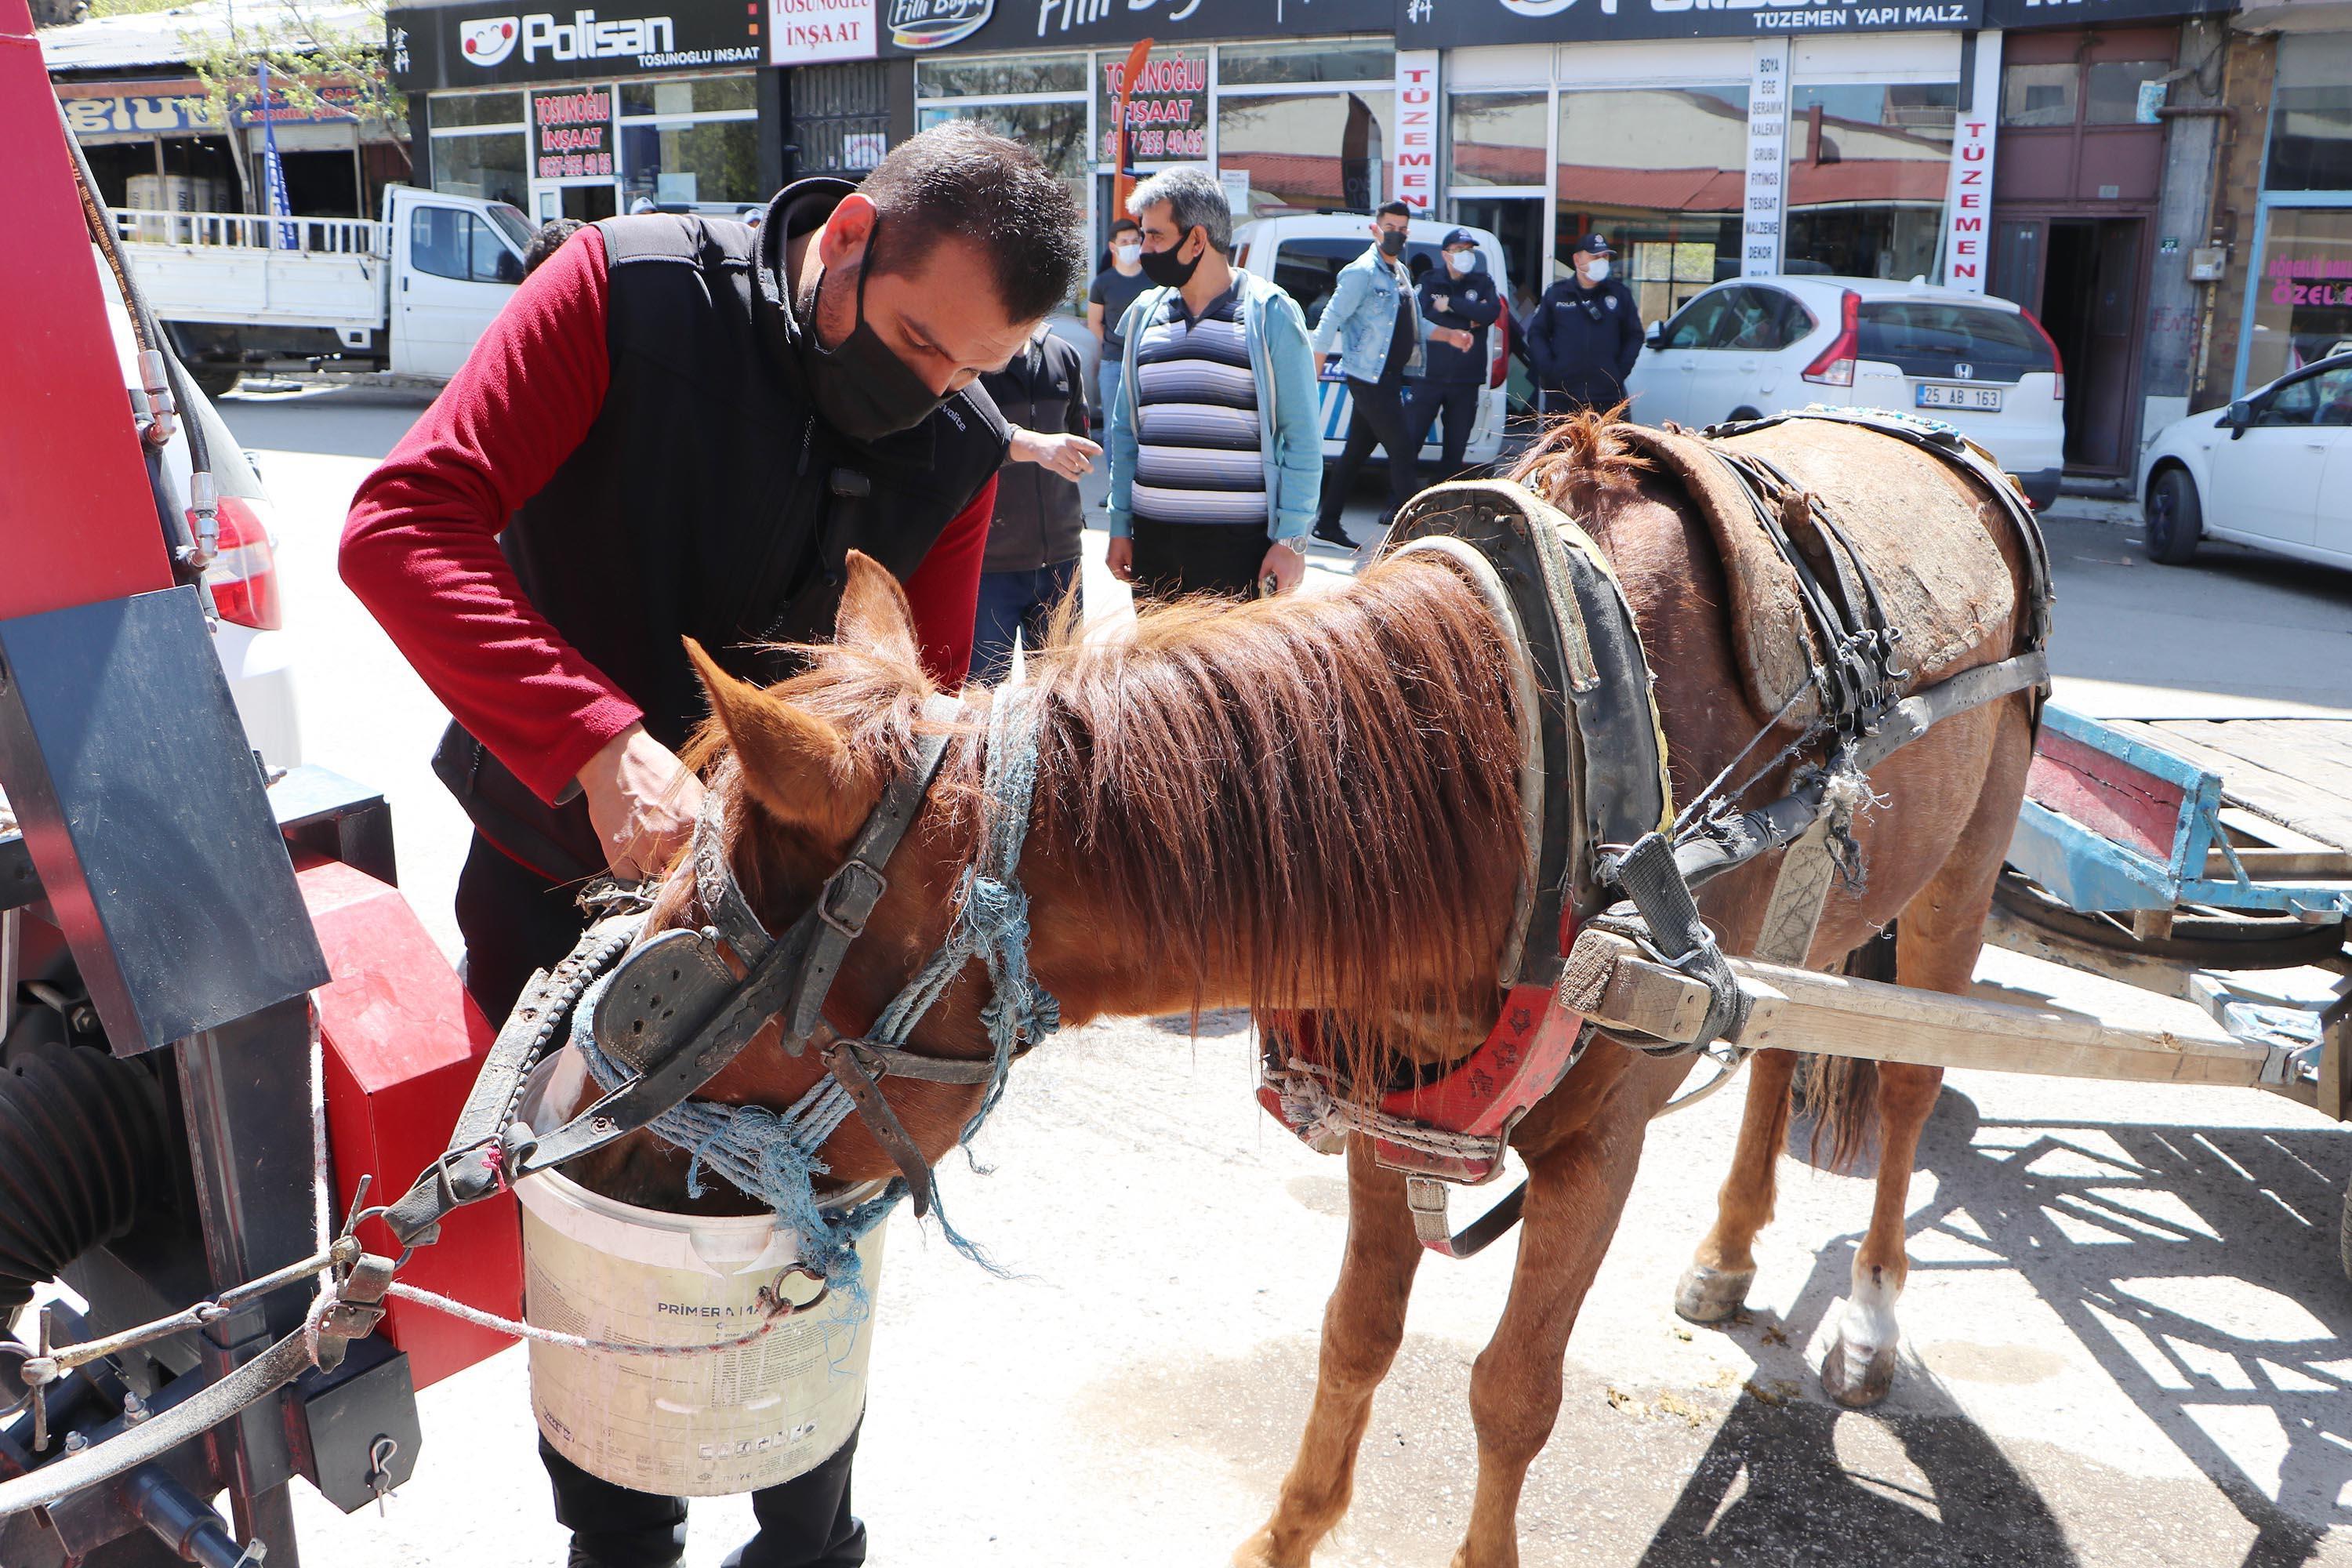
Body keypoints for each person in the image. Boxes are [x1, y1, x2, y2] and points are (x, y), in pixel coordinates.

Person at [339, 122, 1084, 1568]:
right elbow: (400, 527)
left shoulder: (956, 446)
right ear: (852, 235)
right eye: (918, 342)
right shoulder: (622, 293)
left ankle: (811, 1535)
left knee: (807, 1226)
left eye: (971, 370)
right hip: (558, 867)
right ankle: (620, 1539)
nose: (934, 391)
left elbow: (912, 716)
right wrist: (589, 740)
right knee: (598, 1231)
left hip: (801, 934)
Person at [1104, 165, 1320, 601]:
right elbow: (1126, 432)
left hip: (1239, 549)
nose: (1144, 250)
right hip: (1154, 544)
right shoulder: (1145, 314)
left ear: (1197, 239)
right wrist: (1120, 524)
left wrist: (1292, 540)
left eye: (1156, 236)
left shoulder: (1269, 313)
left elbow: (1301, 436)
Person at [972, 323, 1097, 684]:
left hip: (1061, 563)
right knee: (980, 697)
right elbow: (959, 451)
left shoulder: (1063, 355)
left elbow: (1079, 439)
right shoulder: (973, 359)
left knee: (1061, 695)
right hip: (989, 567)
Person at [1308, 201, 1427, 550]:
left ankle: (1326, 524)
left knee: (1355, 453)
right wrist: (1315, 366)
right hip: (1368, 377)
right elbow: (1330, 318)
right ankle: (1413, 541)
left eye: (1402, 229)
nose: (1396, 235)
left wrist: (1449, 335)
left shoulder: (1400, 272)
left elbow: (1414, 321)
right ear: (1376, 229)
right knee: (1403, 451)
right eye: (1390, 228)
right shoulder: (1361, 271)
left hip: (1388, 376)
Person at [1406, 228, 1501, 479]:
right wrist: (1468, 319)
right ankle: (1400, 497)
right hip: (1428, 376)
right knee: (1410, 442)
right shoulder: (1429, 281)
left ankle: (1442, 496)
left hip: (1465, 380)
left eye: (1469, 250)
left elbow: (1491, 313)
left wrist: (1451, 304)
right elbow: (1421, 318)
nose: (1466, 255)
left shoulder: (1483, 282)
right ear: (1446, 255)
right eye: (1459, 250)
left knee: (1456, 450)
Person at [1527, 232, 1642, 416]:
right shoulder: (1557, 294)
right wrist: (1550, 371)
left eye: (1605, 257)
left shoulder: (1619, 294)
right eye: (1595, 257)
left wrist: (1618, 372)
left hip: (1608, 398)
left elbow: (1634, 335)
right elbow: (1537, 333)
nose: (1602, 261)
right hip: (1563, 398)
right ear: (1577, 260)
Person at [1086, 216, 1150, 439]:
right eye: (1124, 242)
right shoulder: (1103, 283)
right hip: (1113, 363)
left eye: (1135, 241)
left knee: (1147, 425)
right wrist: (1112, 343)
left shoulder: (1154, 280)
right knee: (1114, 429)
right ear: (1113, 247)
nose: (1131, 246)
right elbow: (1094, 322)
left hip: (1147, 361)